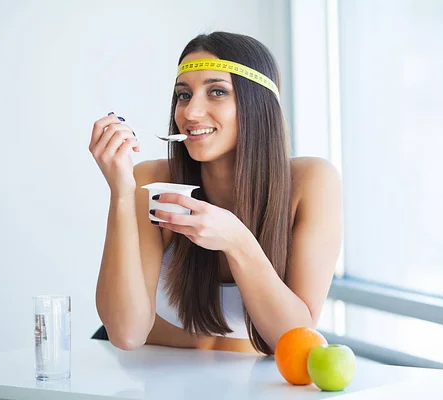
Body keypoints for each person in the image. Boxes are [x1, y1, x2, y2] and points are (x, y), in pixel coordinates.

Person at [88, 31, 342, 355]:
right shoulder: (151, 181)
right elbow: (127, 334)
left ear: (258, 104)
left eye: (217, 92)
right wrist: (121, 194)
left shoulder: (312, 182)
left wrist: (237, 240)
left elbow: (296, 339)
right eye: (183, 95)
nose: (190, 113)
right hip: (145, 377)